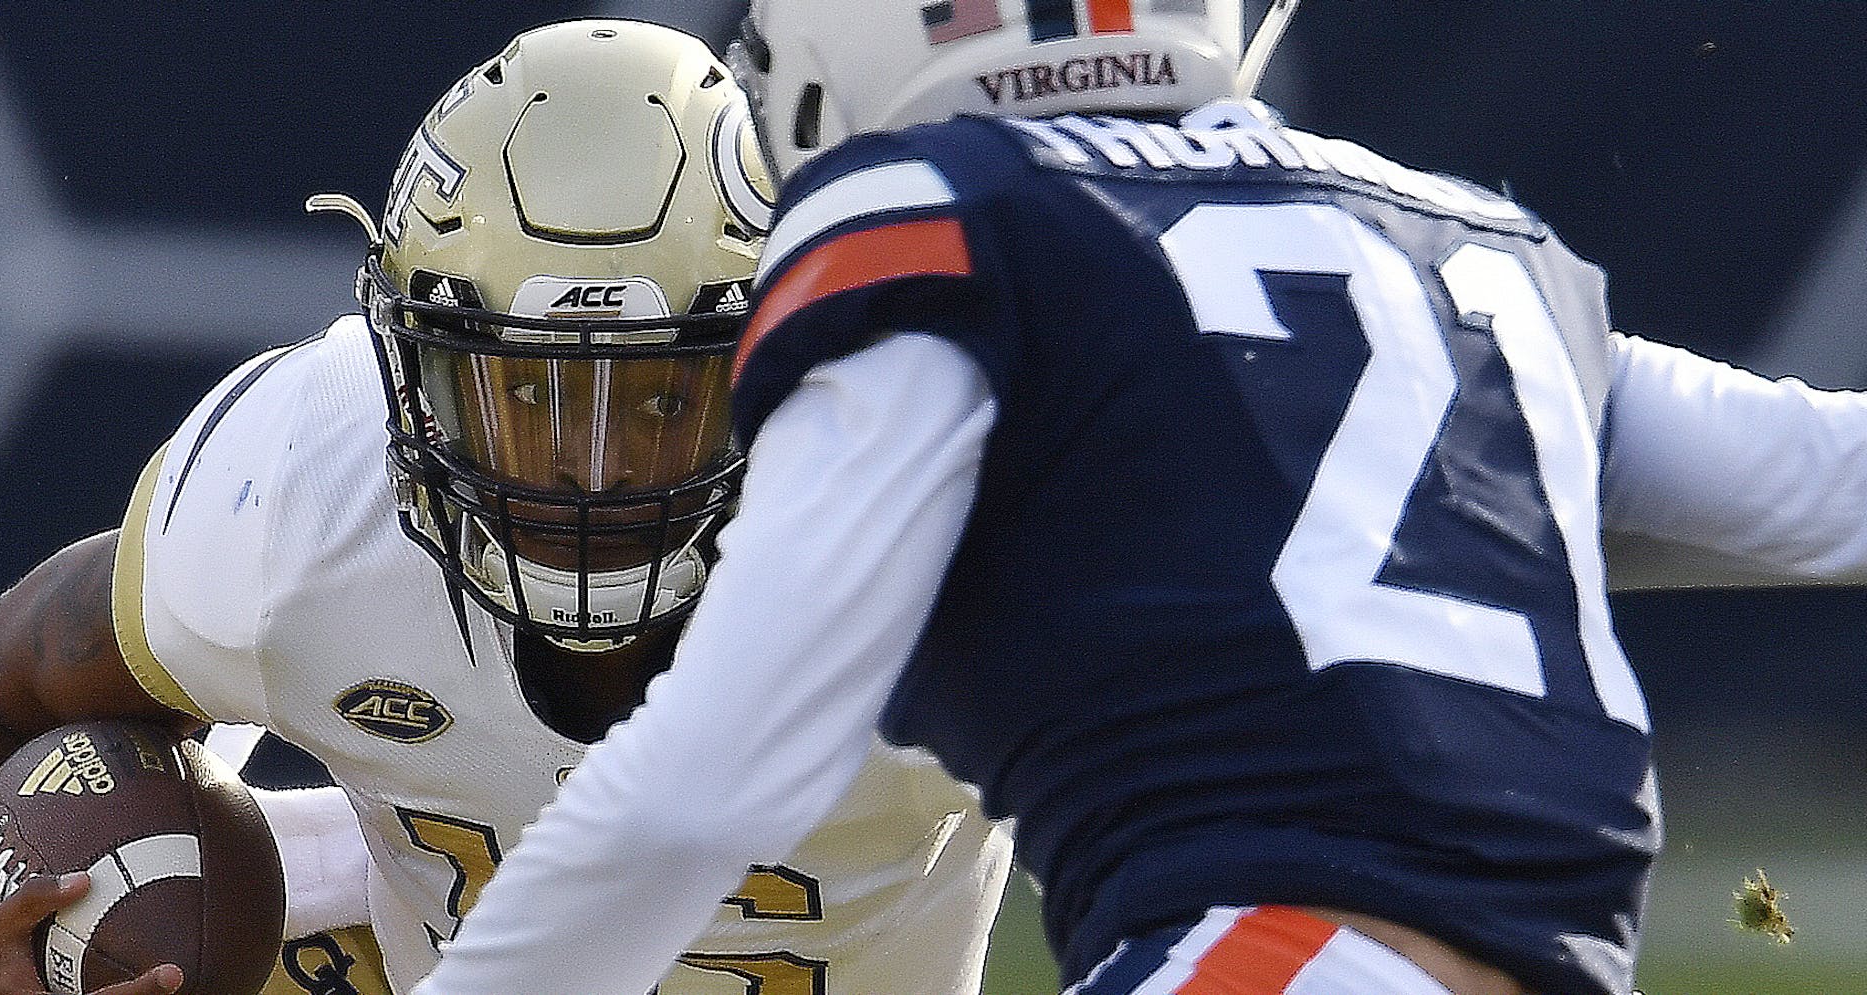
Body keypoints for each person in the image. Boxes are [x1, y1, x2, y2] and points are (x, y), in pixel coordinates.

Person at [407, 3, 1867, 995]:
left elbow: (705, 787)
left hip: (1276, 939)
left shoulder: (946, 222)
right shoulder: (1466, 245)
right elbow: (1825, 480)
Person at [0, 19, 1012, 995]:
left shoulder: (942, 557)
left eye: (657, 392)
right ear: (413, 375)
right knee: (132, 935)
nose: (584, 466)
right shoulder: (302, 495)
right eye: (524, 389)